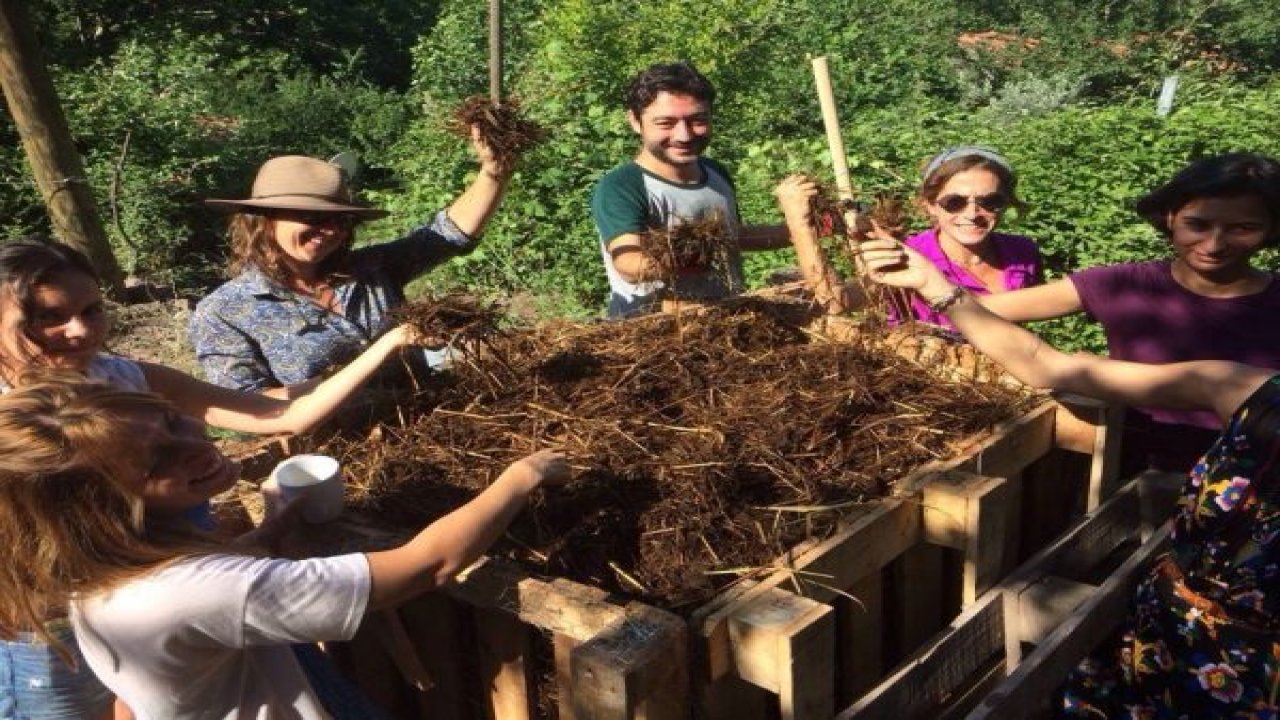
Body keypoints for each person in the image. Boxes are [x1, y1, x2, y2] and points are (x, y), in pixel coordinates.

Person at [0, 239, 430, 719]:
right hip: (55, 626)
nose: (79, 330)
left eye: (91, 309)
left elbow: (281, 415)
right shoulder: (11, 428)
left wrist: (390, 345)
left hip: (194, 602)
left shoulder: (122, 378)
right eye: (47, 317)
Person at [861, 236, 1277, 718]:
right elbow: (1047, 364)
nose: (1215, 240)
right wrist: (937, 287)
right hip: (1162, 638)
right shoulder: (1249, 392)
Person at [0, 375, 569, 718]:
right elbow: (427, 565)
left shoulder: (99, 570)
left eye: (173, 423)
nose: (194, 443)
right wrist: (523, 474)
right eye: (157, 462)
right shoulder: (192, 592)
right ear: (104, 508)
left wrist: (271, 532)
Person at [977, 152, 1280, 473]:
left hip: (1249, 490)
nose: (1214, 244)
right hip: (1126, 472)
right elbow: (982, 311)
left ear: (1272, 229)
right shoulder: (1121, 284)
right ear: (1170, 217)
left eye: (1242, 228)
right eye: (1198, 225)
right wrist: (929, 286)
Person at [190, 127, 510, 392]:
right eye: (312, 217)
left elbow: (449, 235)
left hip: (433, 426)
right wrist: (376, 356)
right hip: (335, 458)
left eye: (341, 220)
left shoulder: (372, 270)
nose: (328, 230)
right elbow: (250, 406)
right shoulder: (225, 312)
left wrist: (494, 173)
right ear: (263, 220)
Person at [590, 61, 797, 317]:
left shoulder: (715, 173)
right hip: (652, 332)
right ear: (635, 121)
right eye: (665, 123)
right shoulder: (623, 185)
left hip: (724, 321)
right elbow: (627, 262)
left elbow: (735, 238)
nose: (684, 135)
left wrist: (811, 227)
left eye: (697, 120)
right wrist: (677, 261)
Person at [775, 146, 1043, 324]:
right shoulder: (908, 257)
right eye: (954, 202)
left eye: (990, 201)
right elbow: (835, 303)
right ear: (929, 205)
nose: (973, 213)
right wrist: (800, 225)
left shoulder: (1022, 253)